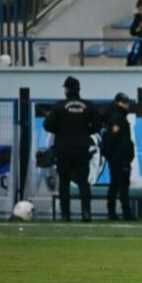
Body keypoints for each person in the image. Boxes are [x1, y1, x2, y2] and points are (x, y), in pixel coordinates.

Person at [44, 76, 103, 223]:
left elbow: (48, 125)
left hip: (63, 149)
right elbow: (97, 126)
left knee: (64, 183)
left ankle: (65, 214)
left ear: (67, 89)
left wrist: (61, 130)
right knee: (83, 183)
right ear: (78, 89)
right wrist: (84, 132)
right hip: (82, 149)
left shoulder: (59, 106)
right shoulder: (88, 106)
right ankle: (86, 213)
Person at [102, 92, 134, 221]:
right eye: (124, 102)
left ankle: (114, 212)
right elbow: (114, 139)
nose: (127, 105)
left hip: (117, 157)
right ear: (117, 102)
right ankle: (124, 213)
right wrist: (120, 154)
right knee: (120, 186)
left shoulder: (116, 116)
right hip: (119, 157)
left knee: (115, 185)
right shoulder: (118, 117)